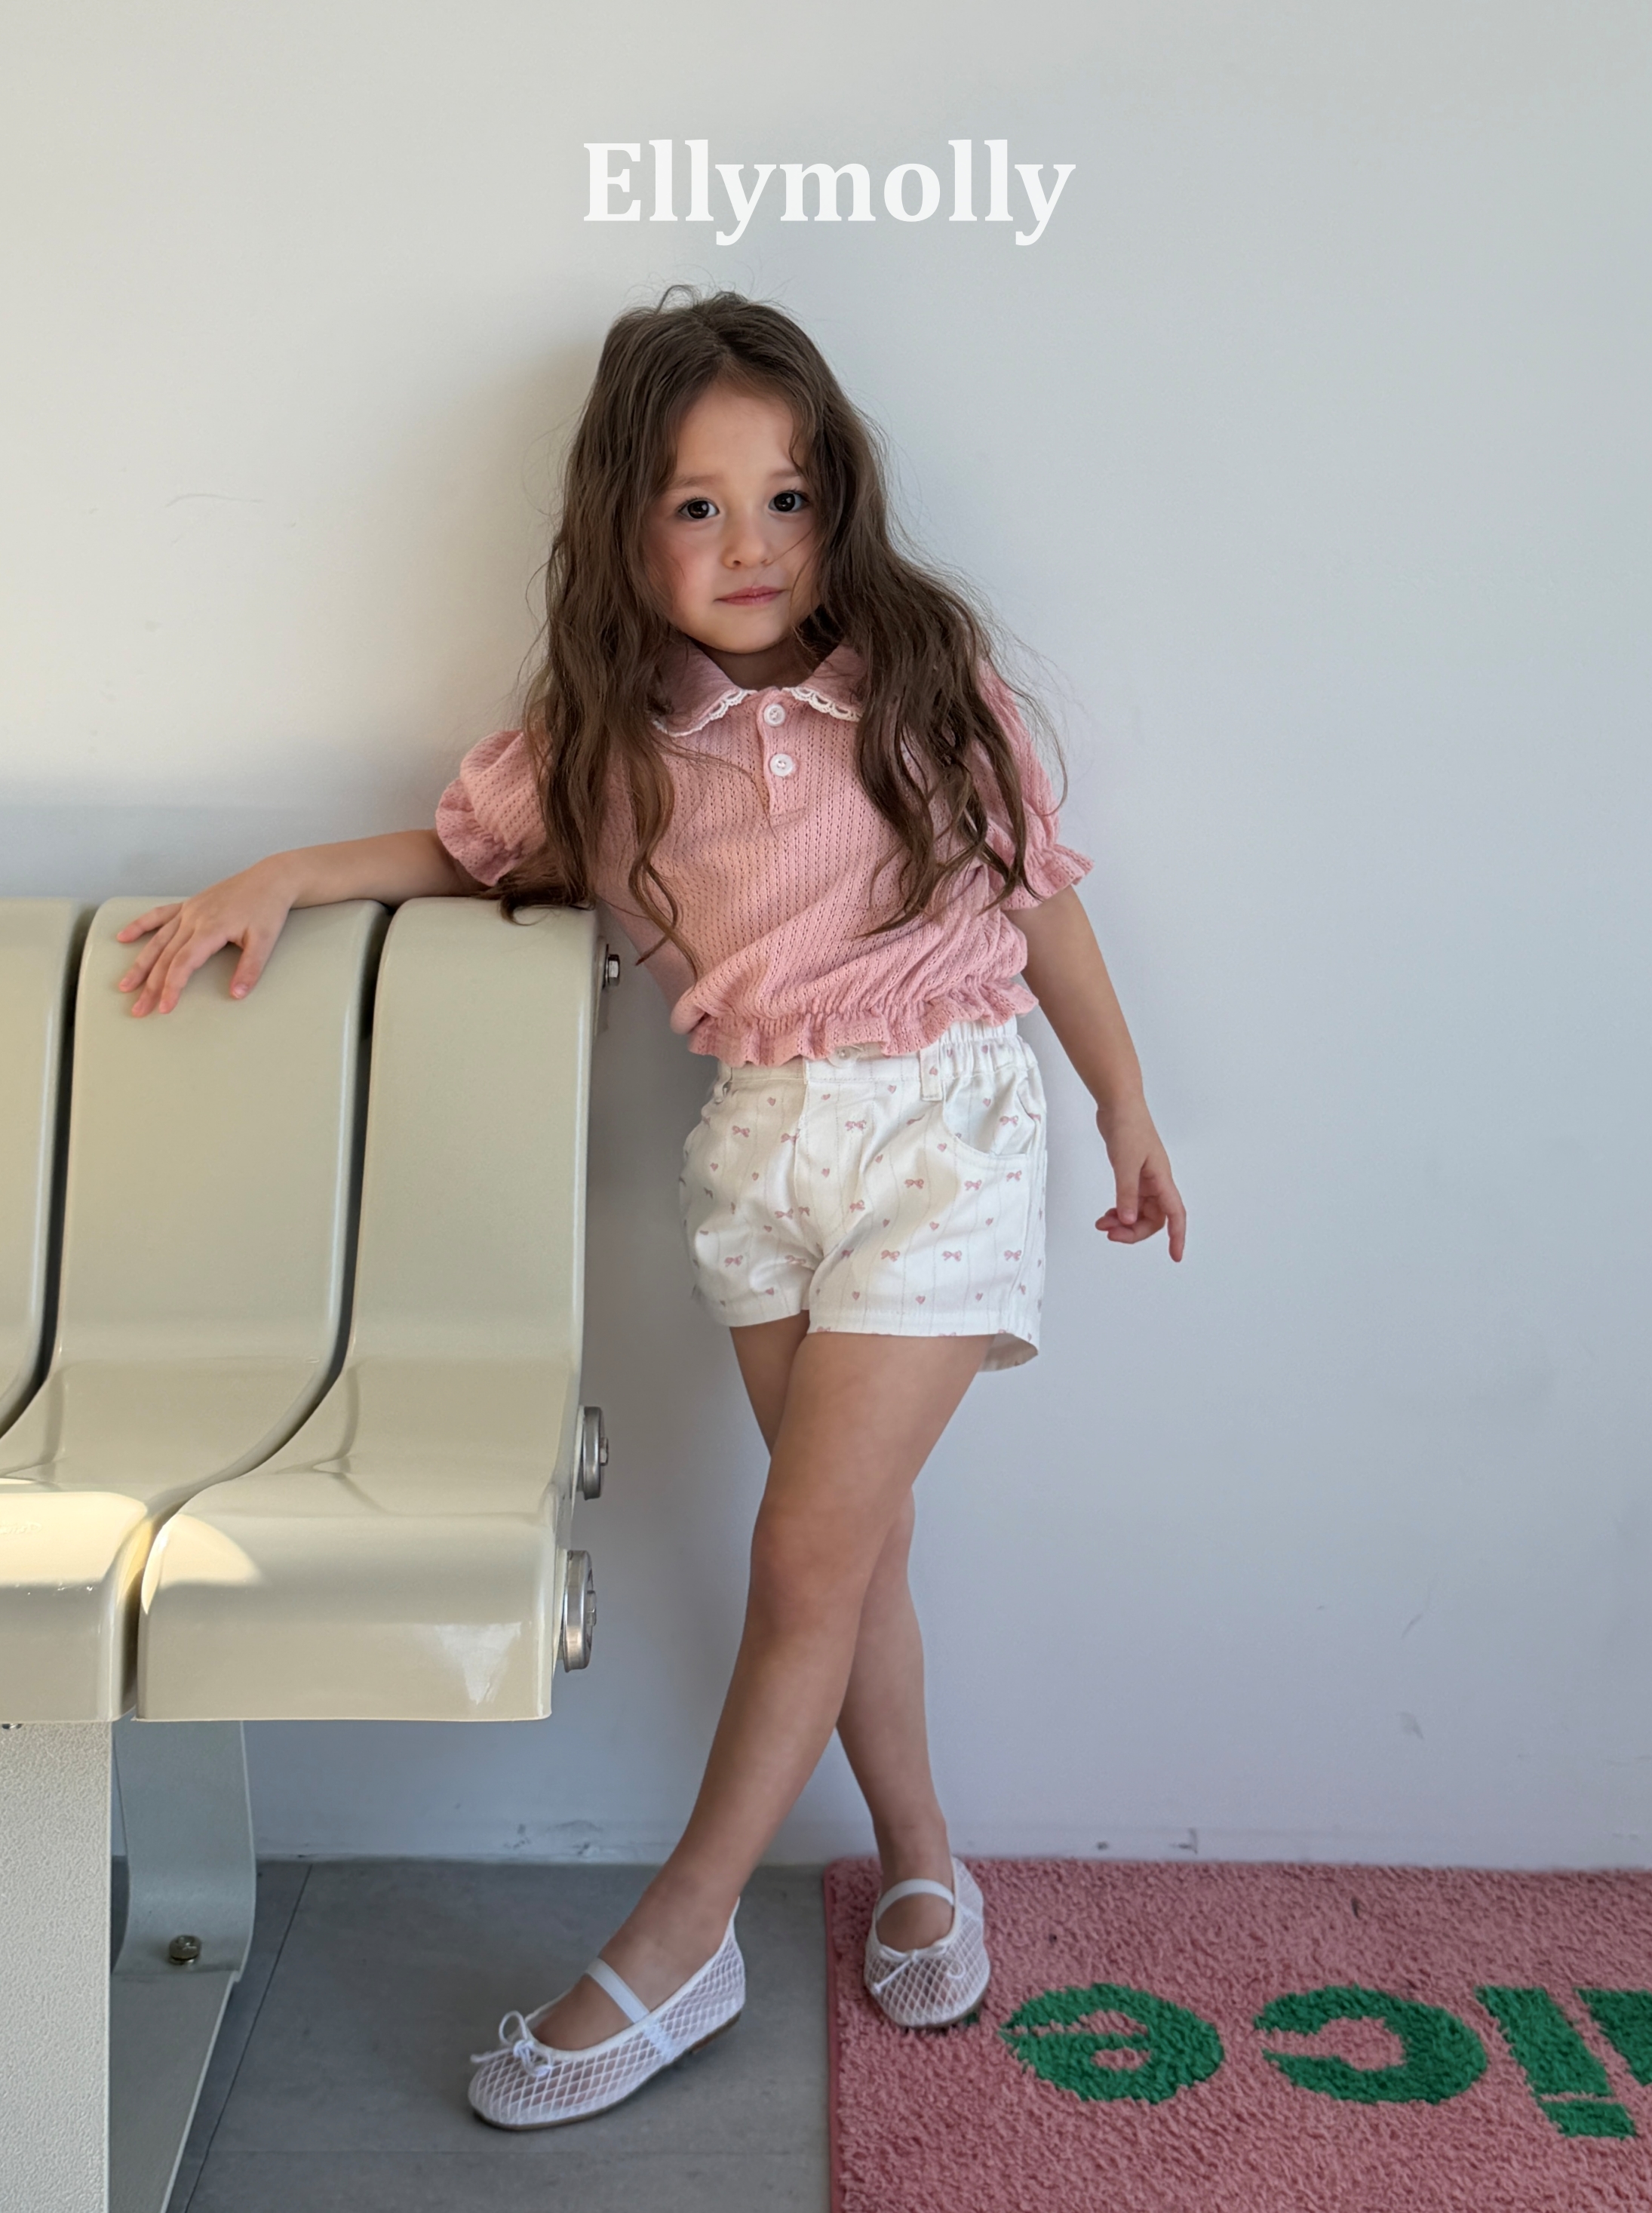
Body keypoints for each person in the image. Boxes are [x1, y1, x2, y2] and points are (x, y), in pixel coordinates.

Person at [115, 287, 1186, 2128]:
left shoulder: (922, 679)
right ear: (624, 527)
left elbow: (1039, 894)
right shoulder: (605, 740)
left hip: (944, 1131)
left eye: (786, 498)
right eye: (697, 506)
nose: (751, 545)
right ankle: (924, 1858)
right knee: (856, 1556)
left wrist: (1122, 1102)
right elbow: (470, 856)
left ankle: (681, 1939)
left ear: (837, 502)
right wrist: (291, 870)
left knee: (802, 1556)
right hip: (758, 1153)